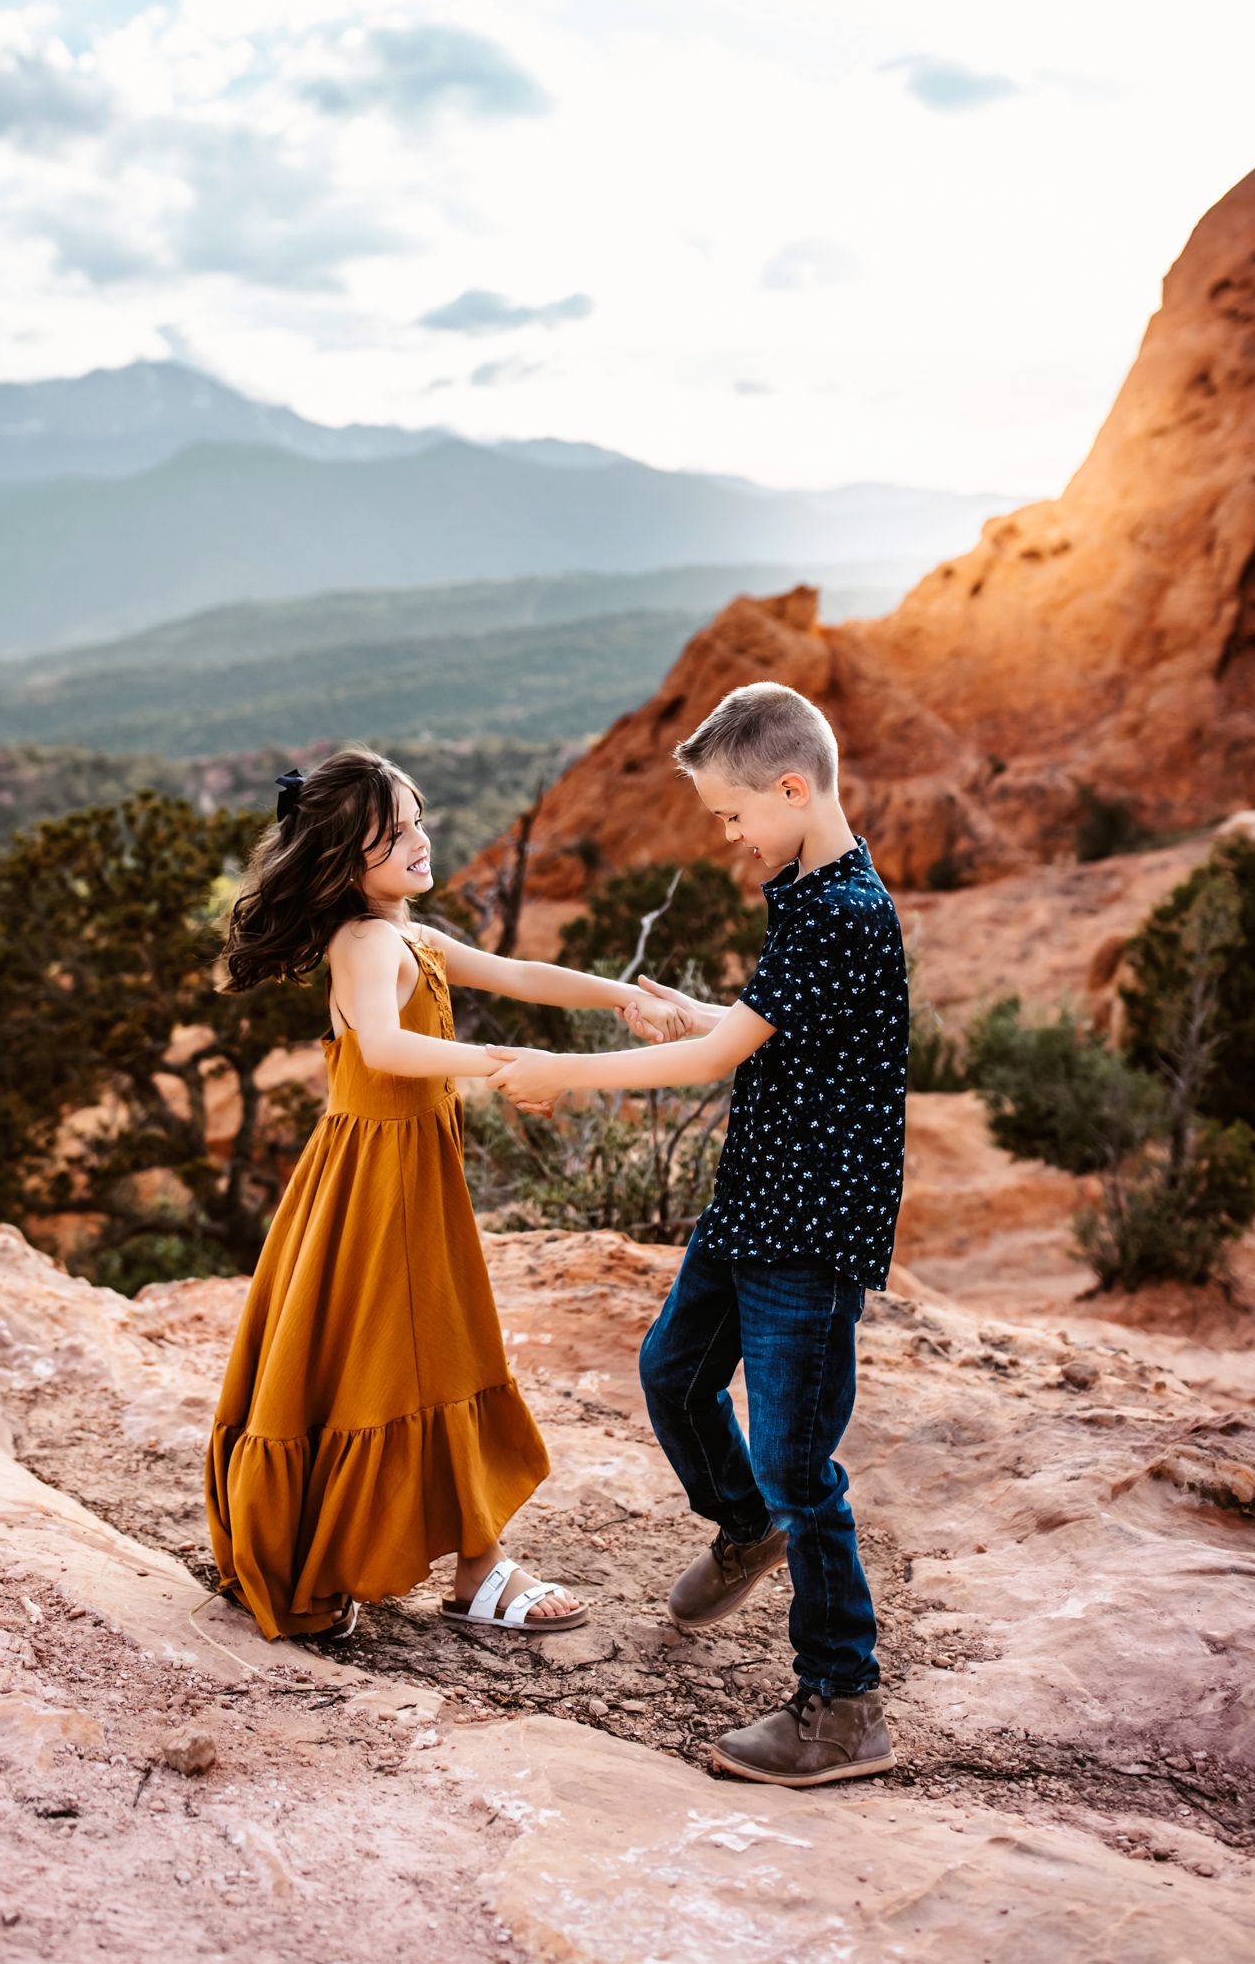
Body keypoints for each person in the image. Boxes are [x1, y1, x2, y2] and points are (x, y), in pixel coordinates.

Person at [487, 682, 908, 1784]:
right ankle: (742, 1527)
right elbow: (761, 1032)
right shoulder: (807, 888)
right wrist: (698, 1014)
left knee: (797, 1460)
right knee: (672, 1371)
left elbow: (722, 1057)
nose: (727, 837)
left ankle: (842, 1703)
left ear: (789, 785)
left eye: (731, 815)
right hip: (754, 1201)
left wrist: (566, 1074)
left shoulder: (844, 911)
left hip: (808, 1230)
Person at [205, 746, 688, 1642]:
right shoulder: (362, 941)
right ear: (348, 860)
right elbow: (384, 1048)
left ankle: (399, 1557)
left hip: (405, 1170)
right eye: (395, 834)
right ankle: (474, 1570)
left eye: (420, 819)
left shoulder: (410, 936)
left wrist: (622, 995)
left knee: (384, 1359)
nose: (421, 841)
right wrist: (503, 1064)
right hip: (376, 1181)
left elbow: (518, 975)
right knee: (435, 1354)